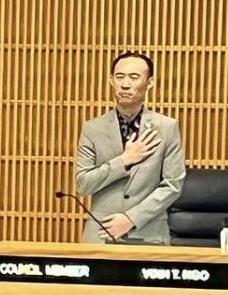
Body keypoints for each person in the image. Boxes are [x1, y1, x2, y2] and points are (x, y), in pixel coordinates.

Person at [75, 51, 185, 244]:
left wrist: (132, 219)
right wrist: (123, 161)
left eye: (134, 77)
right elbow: (83, 184)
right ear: (111, 80)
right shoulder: (92, 128)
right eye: (119, 77)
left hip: (150, 234)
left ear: (149, 82)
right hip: (100, 235)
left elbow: (172, 185)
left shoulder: (167, 127)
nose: (125, 84)